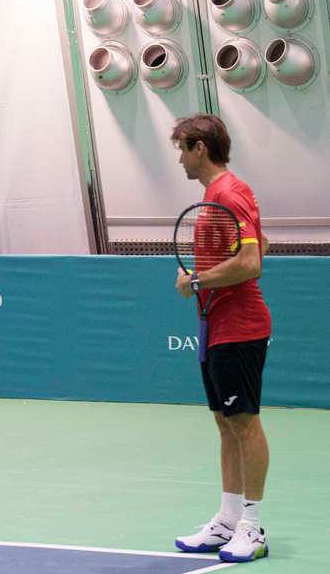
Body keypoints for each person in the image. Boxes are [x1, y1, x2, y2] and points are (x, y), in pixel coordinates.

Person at [171, 115, 271, 563]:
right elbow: (262, 241)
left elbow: (252, 262)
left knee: (245, 422)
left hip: (241, 327)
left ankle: (253, 525)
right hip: (215, 325)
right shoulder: (214, 197)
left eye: (182, 148)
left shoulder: (230, 192)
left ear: (199, 148)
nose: (179, 158)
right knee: (225, 423)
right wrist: (205, 283)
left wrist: (197, 280)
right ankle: (228, 519)